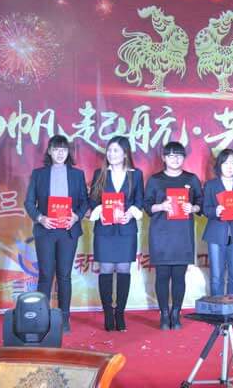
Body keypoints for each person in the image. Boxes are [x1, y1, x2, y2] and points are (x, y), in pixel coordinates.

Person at [24, 135, 89, 332]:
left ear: (68, 152)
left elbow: (84, 202)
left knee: (64, 275)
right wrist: (41, 218)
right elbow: (29, 202)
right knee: (45, 274)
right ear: (50, 151)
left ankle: (64, 318)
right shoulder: (39, 174)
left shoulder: (77, 174)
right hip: (46, 231)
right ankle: (41, 318)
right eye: (56, 149)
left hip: (68, 231)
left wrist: (76, 217)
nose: (60, 153)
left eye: (64, 149)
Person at [144, 142, 202, 330]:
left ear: (184, 158)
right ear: (164, 158)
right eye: (170, 155)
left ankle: (176, 313)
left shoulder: (191, 179)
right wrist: (161, 206)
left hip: (182, 234)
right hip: (161, 233)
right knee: (162, 275)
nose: (175, 159)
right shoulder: (155, 180)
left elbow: (201, 202)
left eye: (179, 155)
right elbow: (147, 206)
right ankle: (163, 313)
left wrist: (193, 207)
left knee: (179, 276)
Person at [89, 136, 144, 332]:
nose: (111, 154)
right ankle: (107, 313)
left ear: (125, 154)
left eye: (116, 150)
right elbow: (92, 200)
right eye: (109, 150)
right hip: (105, 229)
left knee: (123, 269)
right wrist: (100, 212)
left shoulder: (135, 175)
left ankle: (119, 313)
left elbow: (140, 201)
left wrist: (131, 213)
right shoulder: (100, 174)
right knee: (105, 269)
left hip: (126, 230)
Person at [202, 149, 233, 297]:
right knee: (216, 276)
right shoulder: (211, 185)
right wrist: (215, 211)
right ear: (219, 165)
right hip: (216, 233)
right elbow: (205, 209)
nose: (229, 166)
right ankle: (217, 307)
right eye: (225, 163)